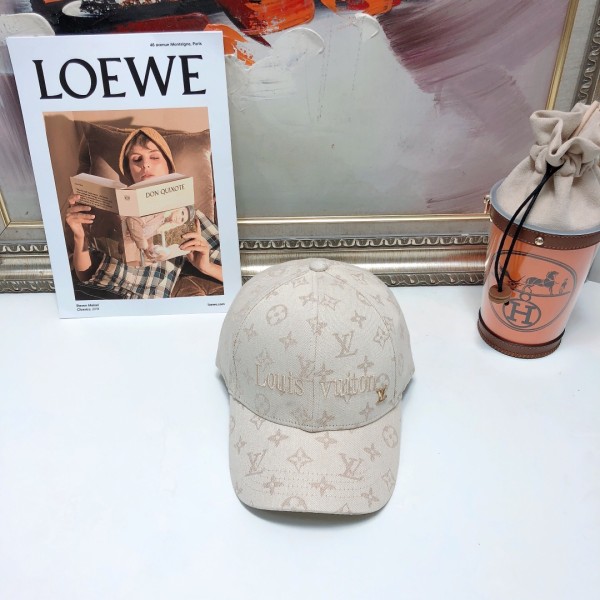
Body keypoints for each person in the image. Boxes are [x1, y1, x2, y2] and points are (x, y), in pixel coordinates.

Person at [65, 127, 223, 299]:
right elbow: (84, 275)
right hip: (95, 293)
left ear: (169, 167)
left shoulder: (188, 214)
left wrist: (206, 267)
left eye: (154, 157)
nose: (145, 164)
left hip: (141, 301)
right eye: (136, 159)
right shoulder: (110, 208)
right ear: (129, 171)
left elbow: (238, 275)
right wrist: (79, 237)